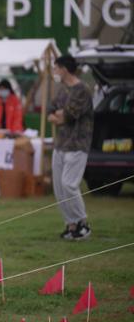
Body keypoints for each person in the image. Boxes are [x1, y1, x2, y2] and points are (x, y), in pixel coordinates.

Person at [47, 54, 93, 240]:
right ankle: (70, 224)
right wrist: (58, 115)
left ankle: (83, 223)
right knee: (59, 187)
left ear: (64, 68)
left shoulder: (82, 89)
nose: (55, 71)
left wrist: (60, 115)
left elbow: (69, 115)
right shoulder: (61, 89)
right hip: (61, 144)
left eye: (56, 67)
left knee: (69, 184)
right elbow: (51, 113)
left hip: (77, 144)